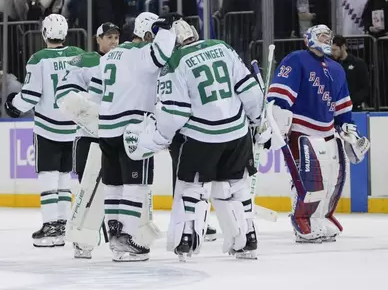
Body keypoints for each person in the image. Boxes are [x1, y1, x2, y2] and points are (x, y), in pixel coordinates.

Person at [124, 18, 264, 261]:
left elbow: (174, 113)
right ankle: (247, 237)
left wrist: (159, 137)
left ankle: (186, 239)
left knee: (192, 188)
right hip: (237, 132)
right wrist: (257, 119)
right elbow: (249, 89)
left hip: (201, 136)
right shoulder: (222, 47)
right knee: (236, 184)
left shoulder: (175, 61)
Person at [267, 25, 368, 243]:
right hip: (302, 130)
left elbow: (342, 107)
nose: (327, 38)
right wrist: (278, 118)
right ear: (308, 39)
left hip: (328, 130)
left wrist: (348, 128)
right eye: (322, 35)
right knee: (309, 179)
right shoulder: (296, 59)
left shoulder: (336, 69)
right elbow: (279, 95)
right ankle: (302, 220)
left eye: (328, 36)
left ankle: (321, 217)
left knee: (332, 179)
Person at [97, 11, 176, 262]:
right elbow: (162, 53)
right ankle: (127, 239)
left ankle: (115, 239)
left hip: (106, 128)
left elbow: (96, 92)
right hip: (131, 130)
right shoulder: (142, 53)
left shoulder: (110, 56)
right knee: (135, 185)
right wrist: (167, 28)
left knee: (114, 185)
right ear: (147, 34)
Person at [4, 14, 85, 247]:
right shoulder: (78, 55)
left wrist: (13, 106)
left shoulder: (38, 59)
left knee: (49, 177)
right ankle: (63, 224)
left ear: (44, 33)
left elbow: (30, 96)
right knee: (64, 177)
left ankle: (51, 226)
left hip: (47, 128)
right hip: (73, 128)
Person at [54, 22, 120, 258]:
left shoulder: (126, 60)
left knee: (116, 189)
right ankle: (83, 240)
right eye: (109, 37)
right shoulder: (85, 60)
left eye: (116, 37)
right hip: (88, 136)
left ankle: (118, 237)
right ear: (98, 39)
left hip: (115, 135)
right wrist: (88, 114)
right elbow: (64, 95)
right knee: (87, 187)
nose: (113, 41)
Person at [331, 35, 371, 110]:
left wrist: (351, 100)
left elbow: (365, 88)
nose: (332, 53)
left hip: (353, 107)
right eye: (331, 50)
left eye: (335, 50)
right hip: (334, 107)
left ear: (343, 47)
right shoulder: (330, 64)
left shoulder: (358, 63)